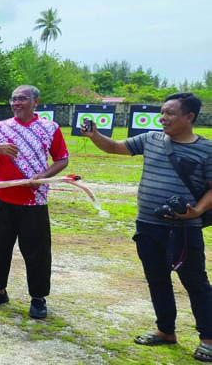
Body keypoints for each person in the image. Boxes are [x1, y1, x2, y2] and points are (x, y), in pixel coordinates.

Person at [82, 92, 212, 362]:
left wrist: (197, 211)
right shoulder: (150, 139)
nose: (163, 118)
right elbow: (115, 147)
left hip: (185, 229)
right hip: (148, 224)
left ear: (189, 117)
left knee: (195, 283)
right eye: (162, 112)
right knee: (157, 279)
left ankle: (208, 338)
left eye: (170, 113)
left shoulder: (206, 149)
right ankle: (166, 331)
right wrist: (95, 135)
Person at [0, 85, 69, 319]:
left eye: (23, 99)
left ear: (36, 102)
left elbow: (62, 159)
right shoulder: (0, 128)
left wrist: (43, 176)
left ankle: (38, 298)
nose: (17, 103)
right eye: (14, 99)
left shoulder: (49, 128)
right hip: (3, 199)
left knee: (36, 251)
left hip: (34, 201)